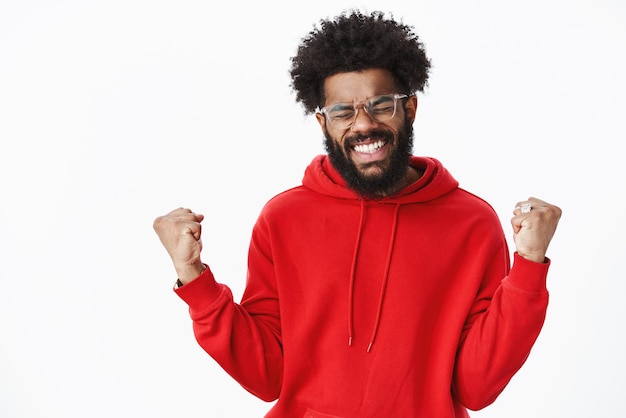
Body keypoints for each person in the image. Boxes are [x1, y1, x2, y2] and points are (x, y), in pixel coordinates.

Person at [153, 10, 562, 418]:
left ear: (411, 108)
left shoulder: (470, 222)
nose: (364, 125)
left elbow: (476, 386)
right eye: (343, 112)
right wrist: (194, 278)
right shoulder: (283, 218)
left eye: (381, 105)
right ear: (322, 123)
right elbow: (267, 377)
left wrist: (527, 267)